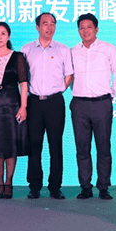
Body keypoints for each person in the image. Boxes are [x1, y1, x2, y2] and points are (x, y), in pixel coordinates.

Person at [71, 13, 116, 200]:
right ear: (78, 31)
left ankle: (103, 187)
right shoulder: (73, 51)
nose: (85, 31)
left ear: (96, 29)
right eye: (82, 28)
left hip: (102, 104)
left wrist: (111, 94)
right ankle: (85, 187)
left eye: (89, 27)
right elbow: (69, 76)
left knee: (103, 147)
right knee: (82, 148)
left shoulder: (108, 49)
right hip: (79, 104)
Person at [21, 12, 74, 200]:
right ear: (37, 27)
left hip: (55, 102)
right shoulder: (27, 49)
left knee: (55, 145)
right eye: (45, 23)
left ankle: (55, 187)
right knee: (34, 145)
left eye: (53, 23)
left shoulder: (63, 49)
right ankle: (34, 186)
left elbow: (69, 75)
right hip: (34, 102)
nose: (49, 27)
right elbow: (23, 78)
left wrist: (58, 89)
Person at [0, 22, 28, 199]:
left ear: (8, 36)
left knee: (11, 145)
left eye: (3, 33)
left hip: (12, 106)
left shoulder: (18, 57)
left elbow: (23, 83)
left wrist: (23, 107)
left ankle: (9, 183)